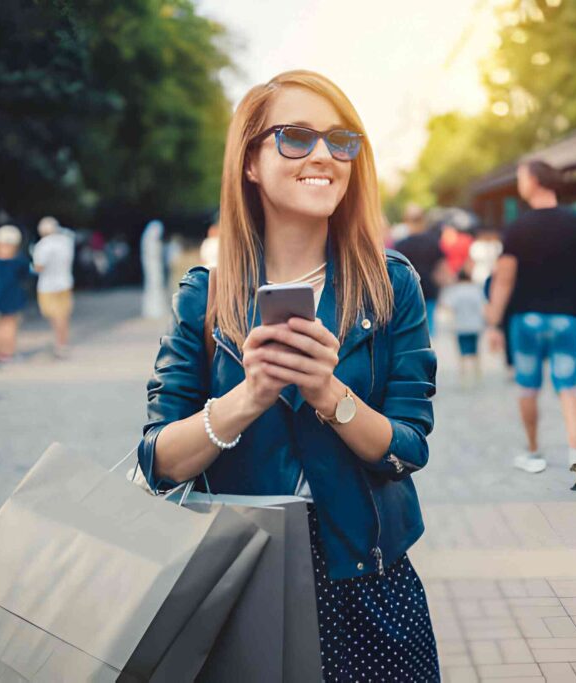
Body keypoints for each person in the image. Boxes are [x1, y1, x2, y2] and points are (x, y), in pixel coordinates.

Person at [139, 70, 439, 682]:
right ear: (250, 162)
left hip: (367, 586)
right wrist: (250, 396)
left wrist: (330, 394)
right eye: (297, 137)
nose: (324, 156)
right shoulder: (206, 296)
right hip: (241, 586)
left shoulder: (390, 285)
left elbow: (408, 449)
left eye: (341, 140)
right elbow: (157, 462)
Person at [485, 160, 576, 491]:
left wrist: (493, 323)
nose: (520, 183)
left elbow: (504, 279)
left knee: (528, 387)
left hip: (526, 320)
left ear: (535, 181)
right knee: (569, 386)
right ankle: (575, 454)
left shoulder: (518, 228)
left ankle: (535, 452)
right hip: (568, 319)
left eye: (522, 177)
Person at [395, 204, 448, 338]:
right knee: (429, 327)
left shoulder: (401, 244)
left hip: (408, 291)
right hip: (430, 289)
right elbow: (441, 267)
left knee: (411, 328)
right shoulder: (433, 242)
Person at [32, 216, 75, 358]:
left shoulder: (42, 245)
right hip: (65, 282)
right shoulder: (66, 242)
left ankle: (59, 343)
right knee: (63, 315)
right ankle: (63, 342)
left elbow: (38, 267)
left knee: (54, 315)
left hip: (48, 286)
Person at [0, 225, 29, 363]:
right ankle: (9, 353)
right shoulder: (18, 260)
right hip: (13, 295)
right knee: (10, 325)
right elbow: (26, 273)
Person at [441, 267, 485, 387]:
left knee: (462, 354)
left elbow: (447, 306)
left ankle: (464, 379)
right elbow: (482, 306)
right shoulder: (476, 289)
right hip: (475, 325)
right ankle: (477, 374)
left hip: (460, 326)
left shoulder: (455, 290)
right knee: (475, 351)